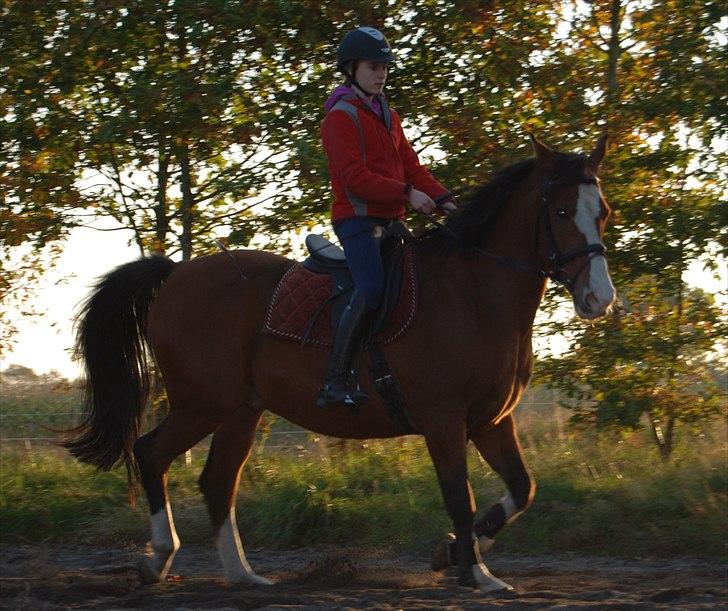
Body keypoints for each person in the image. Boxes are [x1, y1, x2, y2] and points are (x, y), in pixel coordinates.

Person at [317, 26, 456, 409]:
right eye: (373, 66)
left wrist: (447, 201)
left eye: (384, 68)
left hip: (391, 221)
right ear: (351, 69)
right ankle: (335, 379)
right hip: (357, 222)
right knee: (374, 290)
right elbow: (354, 178)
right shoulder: (339, 119)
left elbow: (412, 167)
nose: (380, 74)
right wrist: (407, 195)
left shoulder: (388, 116)